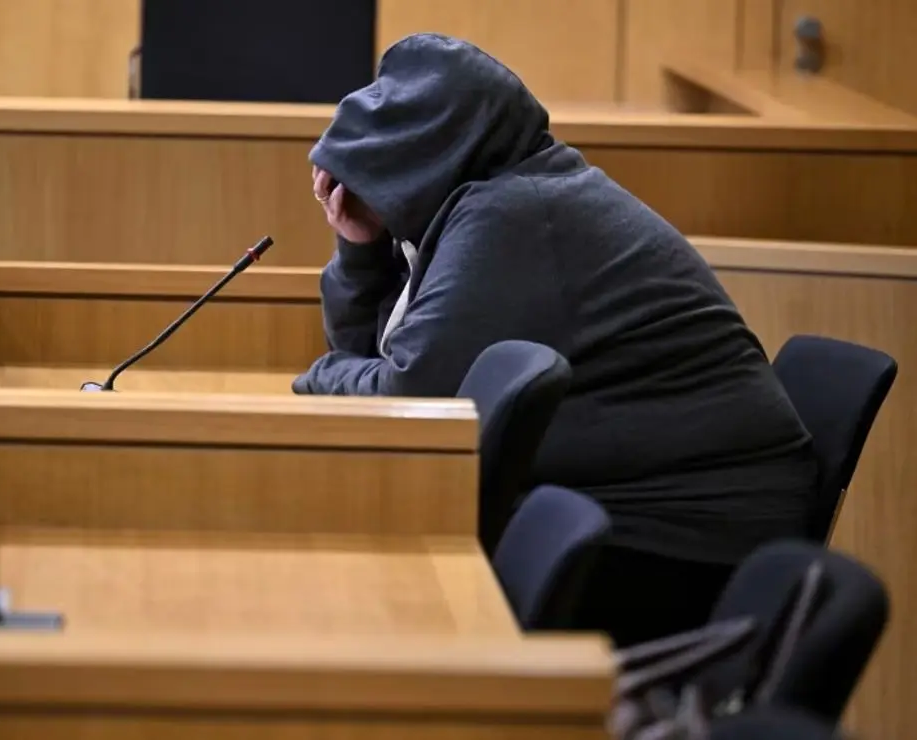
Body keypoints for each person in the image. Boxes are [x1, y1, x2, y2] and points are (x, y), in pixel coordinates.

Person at [292, 33, 818, 646]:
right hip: (650, 510)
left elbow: (411, 400)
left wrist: (320, 375)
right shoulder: (500, 193)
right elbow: (382, 365)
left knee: (400, 599)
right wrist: (359, 248)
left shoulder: (514, 214)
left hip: (694, 540)